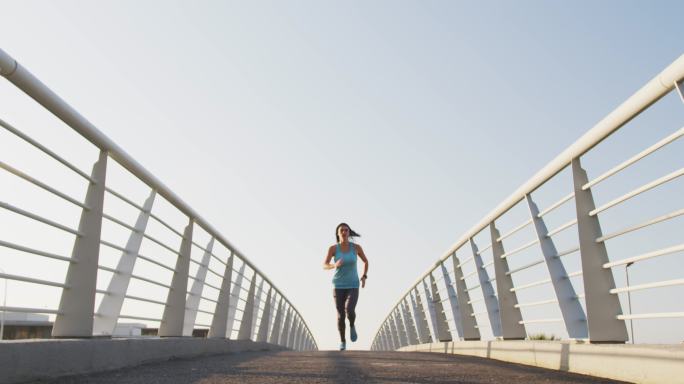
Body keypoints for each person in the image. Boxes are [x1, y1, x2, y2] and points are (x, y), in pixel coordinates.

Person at [323, 222, 369, 351]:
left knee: (349, 309)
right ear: (338, 234)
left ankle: (352, 325)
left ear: (349, 233)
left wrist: (364, 276)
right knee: (340, 315)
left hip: (353, 285)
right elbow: (324, 265)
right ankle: (343, 341)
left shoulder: (356, 248)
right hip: (338, 285)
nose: (344, 232)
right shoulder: (333, 249)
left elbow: (366, 261)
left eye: (346, 230)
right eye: (341, 230)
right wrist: (334, 265)